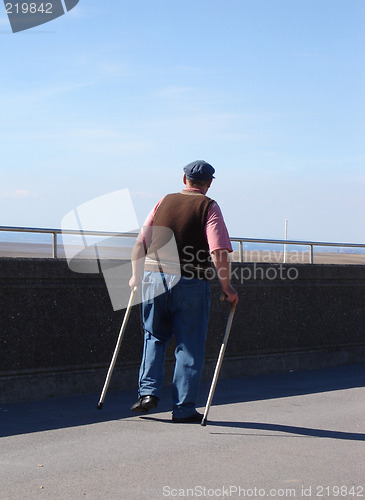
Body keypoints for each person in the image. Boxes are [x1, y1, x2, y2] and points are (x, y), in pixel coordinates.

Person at [129, 160, 238, 423]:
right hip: (191, 281)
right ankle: (183, 408)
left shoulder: (163, 201)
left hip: (154, 278)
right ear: (209, 183)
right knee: (189, 345)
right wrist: (227, 288)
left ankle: (147, 394)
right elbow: (218, 251)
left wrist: (135, 276)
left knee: (153, 336)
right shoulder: (209, 206)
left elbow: (140, 243)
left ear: (183, 179)